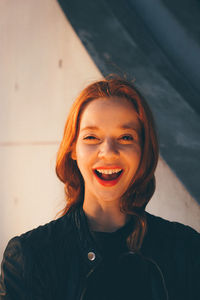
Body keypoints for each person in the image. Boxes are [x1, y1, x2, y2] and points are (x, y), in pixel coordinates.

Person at [0, 76, 199, 300]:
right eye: (91, 137)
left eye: (125, 137)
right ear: (73, 149)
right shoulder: (29, 257)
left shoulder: (187, 250)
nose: (108, 151)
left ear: (144, 149)